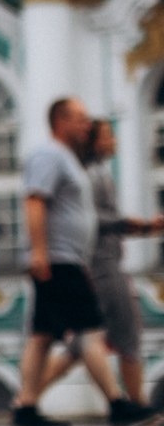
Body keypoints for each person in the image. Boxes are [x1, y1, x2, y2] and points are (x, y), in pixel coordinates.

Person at [12, 98, 157, 426]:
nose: (86, 125)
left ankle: (26, 407)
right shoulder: (49, 155)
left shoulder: (68, 160)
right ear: (61, 122)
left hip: (66, 257)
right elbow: (35, 200)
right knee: (90, 331)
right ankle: (118, 404)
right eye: (79, 119)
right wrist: (39, 252)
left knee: (42, 336)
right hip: (58, 258)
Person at [39, 120, 160, 410]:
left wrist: (137, 227)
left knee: (82, 343)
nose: (115, 141)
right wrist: (139, 226)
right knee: (127, 334)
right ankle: (138, 405)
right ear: (94, 142)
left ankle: (27, 396)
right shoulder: (92, 175)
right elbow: (94, 220)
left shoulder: (96, 172)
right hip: (104, 267)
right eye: (108, 136)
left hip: (102, 264)